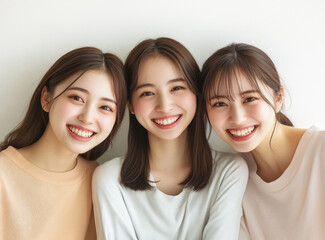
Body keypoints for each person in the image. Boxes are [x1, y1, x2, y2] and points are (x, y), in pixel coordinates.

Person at [92, 37, 248, 240]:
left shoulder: (229, 171)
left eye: (177, 88)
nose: (164, 106)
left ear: (196, 94)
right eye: (147, 93)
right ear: (130, 104)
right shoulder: (109, 178)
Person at [0, 47, 127, 240]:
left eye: (105, 107)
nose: (87, 118)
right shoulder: (3, 173)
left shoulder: (101, 181)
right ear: (46, 99)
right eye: (77, 98)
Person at [201, 43, 325, 239]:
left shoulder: (320, 151)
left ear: (278, 98)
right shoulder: (232, 180)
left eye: (249, 99)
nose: (238, 117)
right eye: (220, 103)